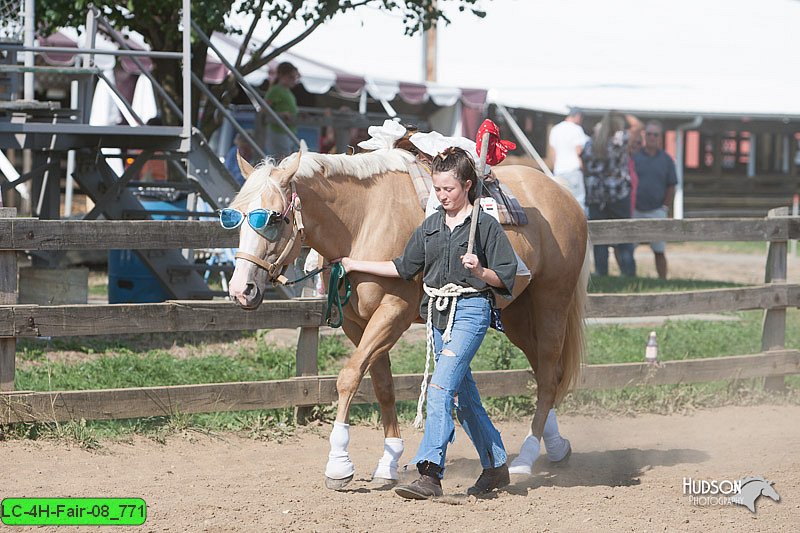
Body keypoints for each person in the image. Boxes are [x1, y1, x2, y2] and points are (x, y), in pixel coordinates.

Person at [338, 147, 517, 500]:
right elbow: (402, 267)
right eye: (437, 189)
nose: (441, 196)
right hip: (438, 316)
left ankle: (430, 473)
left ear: (467, 185)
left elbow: (506, 276)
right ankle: (496, 465)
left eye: (448, 189)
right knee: (463, 400)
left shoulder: (485, 225)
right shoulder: (431, 225)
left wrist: (480, 271)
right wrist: (355, 264)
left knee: (438, 391)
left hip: (470, 311)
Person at [582, 110, 642, 277]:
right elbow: (638, 126)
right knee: (624, 234)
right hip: (618, 192)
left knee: (600, 236)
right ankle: (628, 272)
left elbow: (584, 165)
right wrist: (623, 113)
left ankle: (601, 271)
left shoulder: (590, 143)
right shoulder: (619, 140)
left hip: (595, 194)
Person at [633, 120, 677, 279]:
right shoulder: (635, 157)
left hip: (657, 210)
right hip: (636, 210)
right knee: (628, 248)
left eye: (655, 134)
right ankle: (629, 278)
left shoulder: (666, 160)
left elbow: (672, 185)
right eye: (649, 134)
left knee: (659, 250)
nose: (652, 137)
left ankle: (663, 280)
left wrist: (664, 207)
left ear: (660, 137)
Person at [549, 108, 589, 211]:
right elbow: (579, 151)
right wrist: (584, 167)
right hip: (573, 169)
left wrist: (555, 166)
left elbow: (553, 152)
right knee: (578, 202)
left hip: (559, 170)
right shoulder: (577, 129)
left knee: (560, 203)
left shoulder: (555, 129)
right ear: (578, 116)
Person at [262, 61, 300, 160]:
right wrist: (280, 114)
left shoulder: (287, 91)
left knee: (287, 161)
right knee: (282, 162)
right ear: (281, 75)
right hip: (278, 131)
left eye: (295, 77)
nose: (294, 80)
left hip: (288, 131)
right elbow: (264, 110)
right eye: (290, 77)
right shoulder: (275, 90)